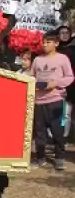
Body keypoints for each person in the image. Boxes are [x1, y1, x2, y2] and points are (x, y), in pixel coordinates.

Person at [30, 31, 74, 171]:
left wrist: (56, 83)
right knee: (39, 132)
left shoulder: (63, 58)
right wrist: (35, 85)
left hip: (56, 101)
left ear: (56, 43)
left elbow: (70, 77)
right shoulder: (37, 60)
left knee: (57, 131)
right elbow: (31, 77)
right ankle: (40, 157)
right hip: (39, 101)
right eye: (43, 42)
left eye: (48, 42)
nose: (45, 44)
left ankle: (59, 158)